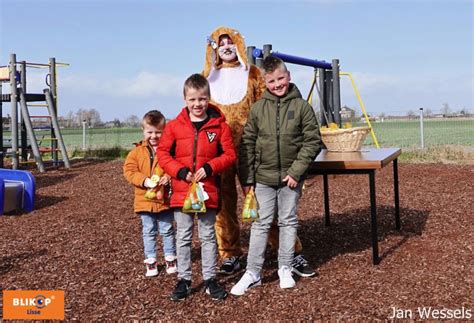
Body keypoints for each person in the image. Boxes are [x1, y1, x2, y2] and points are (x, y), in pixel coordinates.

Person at [203, 26, 316, 277]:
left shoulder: (253, 74)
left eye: (230, 42)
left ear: (239, 44)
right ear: (213, 48)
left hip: (252, 152)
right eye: (220, 44)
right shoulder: (207, 76)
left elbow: (266, 109)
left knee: (266, 204)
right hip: (218, 152)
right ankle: (230, 253)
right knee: (223, 204)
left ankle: (291, 252)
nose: (226, 47)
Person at [230, 56, 322, 296]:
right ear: (265, 82)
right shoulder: (259, 108)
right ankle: (253, 272)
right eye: (271, 81)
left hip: (290, 178)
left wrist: (296, 172)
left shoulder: (302, 107)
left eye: (281, 78)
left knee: (288, 221)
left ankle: (285, 266)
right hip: (263, 178)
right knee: (260, 224)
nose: (277, 84)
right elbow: (248, 143)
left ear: (289, 76)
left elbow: (312, 142)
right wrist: (248, 179)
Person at [157, 74, 236, 301]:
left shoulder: (219, 126)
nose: (197, 104)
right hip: (182, 190)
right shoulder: (174, 127)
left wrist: (211, 167)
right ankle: (184, 278)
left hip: (207, 190)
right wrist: (179, 171)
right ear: (184, 99)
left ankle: (210, 279)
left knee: (208, 235)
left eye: (202, 99)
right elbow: (163, 154)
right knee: (183, 236)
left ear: (208, 98)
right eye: (192, 99)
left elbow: (229, 154)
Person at [123, 110, 177, 277]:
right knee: (149, 231)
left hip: (164, 200)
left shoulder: (169, 151)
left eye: (158, 132)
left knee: (167, 229)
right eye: (150, 132)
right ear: (143, 131)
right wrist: (145, 181)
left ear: (164, 131)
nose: (154, 136)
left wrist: (168, 177)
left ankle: (170, 257)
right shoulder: (136, 153)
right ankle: (151, 260)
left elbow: (175, 167)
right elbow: (129, 171)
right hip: (144, 201)